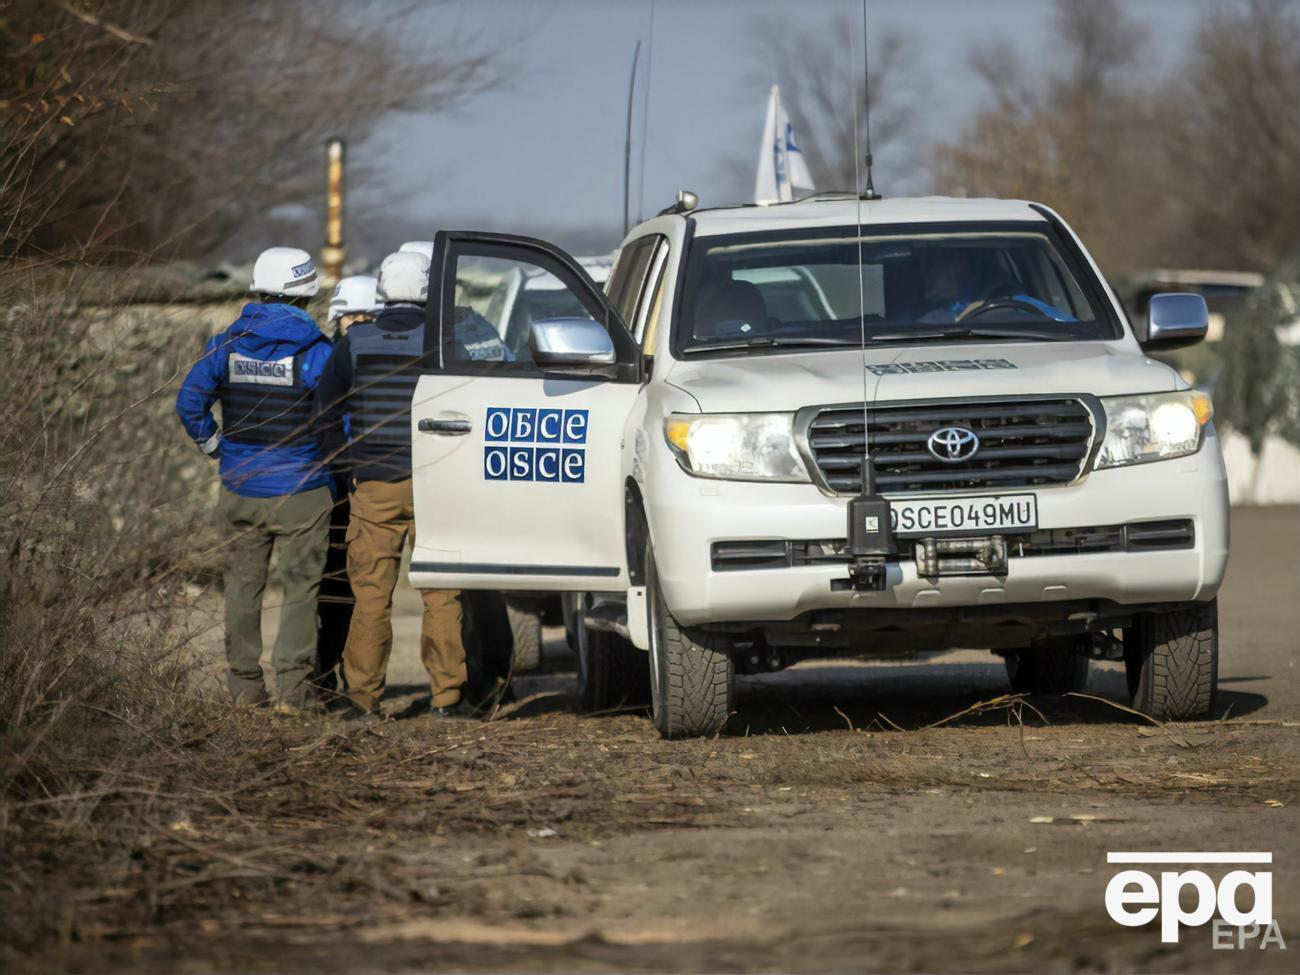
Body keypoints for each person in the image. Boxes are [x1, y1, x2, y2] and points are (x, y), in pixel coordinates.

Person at [313, 251, 473, 721]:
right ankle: (448, 698)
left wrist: (346, 466)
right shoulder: (444, 339)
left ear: (382, 289)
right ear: (428, 289)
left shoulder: (356, 341)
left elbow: (323, 411)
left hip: (373, 487)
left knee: (369, 597)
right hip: (435, 485)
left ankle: (362, 700)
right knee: (442, 595)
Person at [176, 247, 334, 711]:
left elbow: (190, 405)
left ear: (258, 291)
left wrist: (218, 448)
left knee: (244, 588)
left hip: (240, 486)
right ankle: (295, 694)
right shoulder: (317, 352)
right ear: (307, 294)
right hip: (303, 490)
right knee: (301, 590)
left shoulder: (225, 344)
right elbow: (338, 421)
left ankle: (245, 692)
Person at [314, 275, 381, 698]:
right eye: (349, 315)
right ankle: (323, 675)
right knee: (331, 588)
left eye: (366, 315)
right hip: (334, 485)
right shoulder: (327, 358)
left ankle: (334, 675)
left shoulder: (370, 356)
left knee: (351, 590)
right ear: (336, 318)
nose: (356, 323)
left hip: (361, 481)